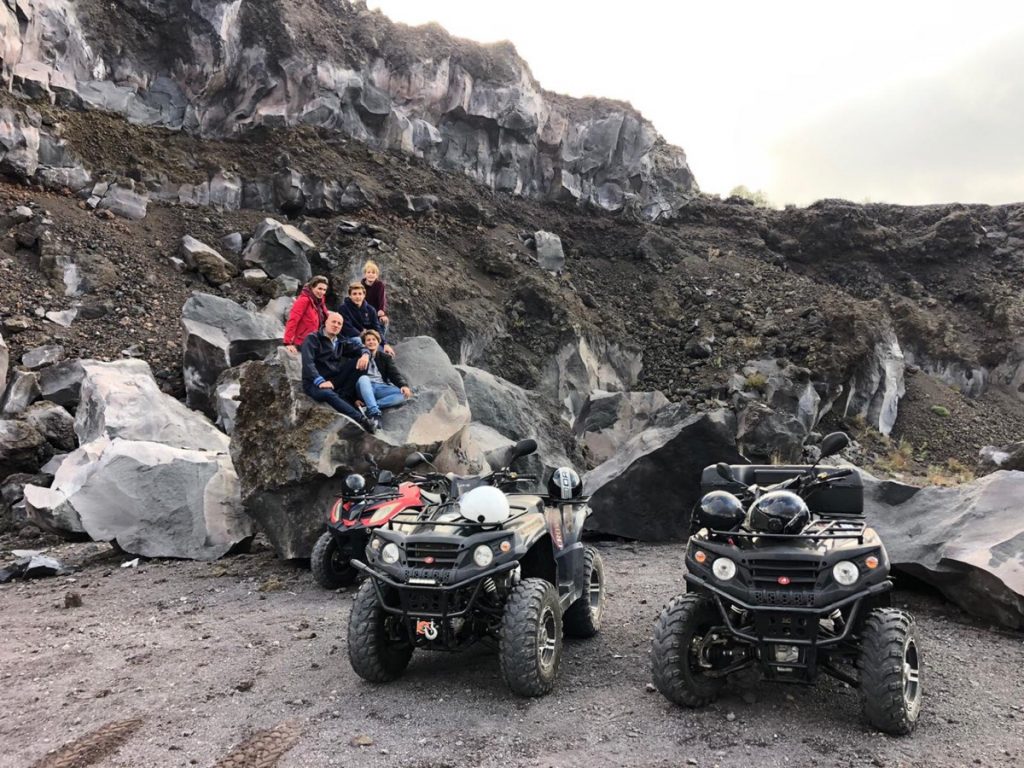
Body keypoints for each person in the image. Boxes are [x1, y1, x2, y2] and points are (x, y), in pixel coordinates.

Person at [300, 312, 377, 433]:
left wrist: (366, 355)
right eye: (333, 322)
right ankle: (362, 420)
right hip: (314, 382)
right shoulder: (313, 338)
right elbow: (308, 363)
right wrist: (319, 381)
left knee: (361, 362)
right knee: (328, 394)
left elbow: (360, 348)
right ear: (326, 322)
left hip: (334, 380)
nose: (336, 325)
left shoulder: (340, 341)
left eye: (339, 324)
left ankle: (345, 395)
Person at [354, 329, 412, 421]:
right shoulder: (359, 357)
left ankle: (369, 406)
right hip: (364, 387)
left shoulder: (385, 358)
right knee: (364, 378)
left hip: (381, 387)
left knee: (404, 394)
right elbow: (351, 378)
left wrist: (403, 385)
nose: (371, 342)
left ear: (378, 342)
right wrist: (354, 399)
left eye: (374, 339)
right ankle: (374, 411)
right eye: (368, 340)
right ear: (364, 343)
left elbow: (394, 374)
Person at [340, 281, 394, 355]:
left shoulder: (370, 309)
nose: (357, 296)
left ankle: (379, 349)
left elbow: (376, 328)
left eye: (360, 294)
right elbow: (347, 328)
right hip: (352, 338)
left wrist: (385, 344)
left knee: (382, 326)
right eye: (354, 294)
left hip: (367, 336)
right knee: (359, 340)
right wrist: (364, 336)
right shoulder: (343, 308)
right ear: (350, 295)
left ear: (364, 295)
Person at [284, 275, 328, 355]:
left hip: (316, 338)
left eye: (324, 290)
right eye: (319, 288)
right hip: (303, 340)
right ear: (312, 287)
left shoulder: (320, 301)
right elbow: (293, 320)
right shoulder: (304, 300)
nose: (322, 292)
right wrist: (288, 343)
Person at [361, 260, 389, 338]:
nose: (371, 275)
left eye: (373, 273)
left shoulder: (380, 285)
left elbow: (382, 300)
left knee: (383, 321)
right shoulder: (361, 285)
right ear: (365, 274)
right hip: (364, 313)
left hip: (376, 312)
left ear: (377, 275)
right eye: (369, 272)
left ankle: (380, 341)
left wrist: (382, 312)